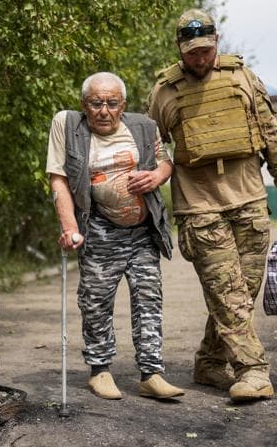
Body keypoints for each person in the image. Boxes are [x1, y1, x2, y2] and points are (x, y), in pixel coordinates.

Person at [147, 8, 277, 402]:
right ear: (179, 49)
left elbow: (270, 132)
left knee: (241, 293)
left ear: (216, 42)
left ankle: (210, 362)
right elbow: (150, 149)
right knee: (227, 292)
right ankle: (254, 371)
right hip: (199, 208)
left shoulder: (243, 78)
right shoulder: (165, 91)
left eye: (206, 49)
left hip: (249, 200)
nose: (200, 58)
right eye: (191, 52)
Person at [46, 71, 184, 401]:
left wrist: (155, 177)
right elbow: (58, 180)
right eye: (96, 103)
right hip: (99, 228)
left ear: (122, 105)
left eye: (111, 103)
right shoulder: (67, 125)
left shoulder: (144, 126)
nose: (104, 110)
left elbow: (167, 162)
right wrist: (70, 228)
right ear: (84, 104)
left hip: (142, 230)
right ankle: (100, 371)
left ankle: (151, 374)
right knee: (96, 302)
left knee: (149, 299)